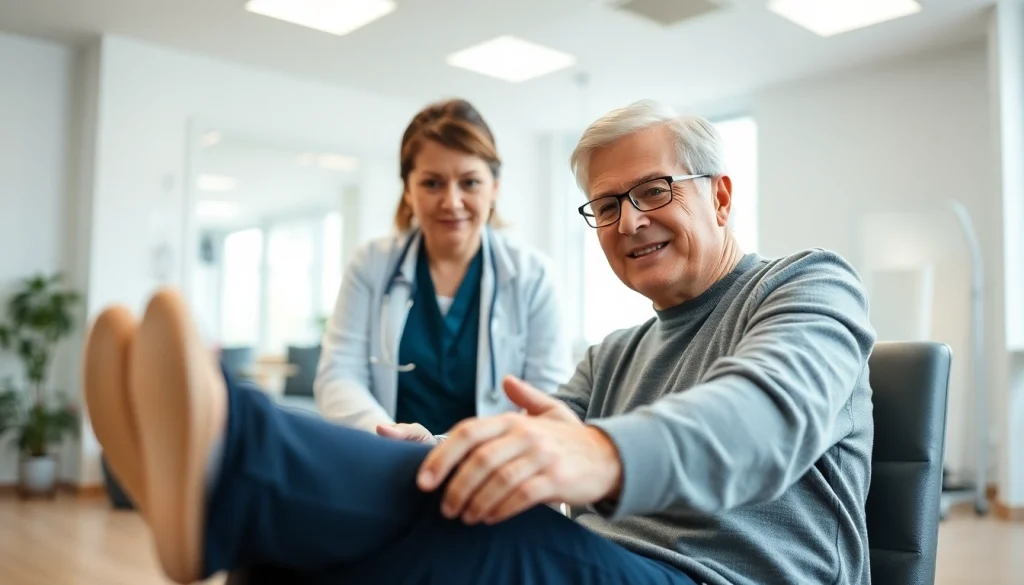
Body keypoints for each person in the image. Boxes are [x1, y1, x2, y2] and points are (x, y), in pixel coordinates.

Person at [83, 99, 876, 585]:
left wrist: (599, 452)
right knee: (331, 540)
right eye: (605, 205)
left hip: (717, 578)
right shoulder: (615, 352)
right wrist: (438, 446)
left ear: (723, 194)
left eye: (653, 190)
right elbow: (517, 436)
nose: (629, 221)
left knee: (445, 530)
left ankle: (224, 451)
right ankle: (223, 479)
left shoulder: (809, 287)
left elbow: (764, 415)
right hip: (606, 558)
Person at [315, 98, 573, 436]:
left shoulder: (533, 275)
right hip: (390, 458)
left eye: (470, 182)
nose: (451, 201)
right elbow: (339, 375)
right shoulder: (370, 265)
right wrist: (390, 436)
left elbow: (549, 394)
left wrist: (470, 447)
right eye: (432, 183)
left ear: (494, 188)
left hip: (492, 465)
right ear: (408, 189)